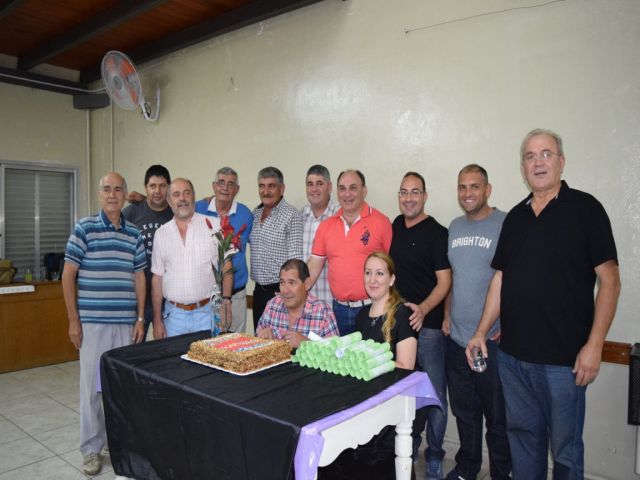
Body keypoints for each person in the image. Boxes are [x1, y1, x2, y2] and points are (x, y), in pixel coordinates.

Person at [466, 129, 621, 479]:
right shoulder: (516, 218)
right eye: (530, 156)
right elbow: (500, 280)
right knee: (523, 443)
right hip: (513, 358)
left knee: (565, 452)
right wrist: (479, 332)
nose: (538, 162)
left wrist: (594, 346)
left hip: (564, 364)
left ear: (561, 162)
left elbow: (610, 280)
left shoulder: (586, 209)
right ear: (523, 167)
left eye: (546, 154)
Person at [62, 172, 146, 476]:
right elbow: (68, 275)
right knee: (91, 389)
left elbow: (139, 277)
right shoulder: (84, 228)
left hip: (125, 324)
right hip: (93, 325)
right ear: (100, 195)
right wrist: (74, 321)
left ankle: (117, 441)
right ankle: (90, 449)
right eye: (107, 189)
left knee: (119, 388)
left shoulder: (134, 233)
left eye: (118, 189)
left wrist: (140, 318)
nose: (112, 194)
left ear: (125, 195)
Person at [319, 252, 417, 480]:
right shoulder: (363, 315)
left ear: (391, 279)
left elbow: (406, 367)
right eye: (368, 273)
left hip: (390, 408)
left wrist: (369, 360)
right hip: (365, 401)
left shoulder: (402, 315)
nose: (373, 279)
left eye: (380, 273)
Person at [444, 164, 511, 480]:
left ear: (488, 189)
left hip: (492, 341)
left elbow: (514, 280)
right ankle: (467, 467)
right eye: (462, 187)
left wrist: (508, 323)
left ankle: (501, 471)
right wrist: (446, 314)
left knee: (497, 416)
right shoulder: (454, 227)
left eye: (474, 186)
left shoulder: (505, 224)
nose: (467, 193)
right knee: (465, 412)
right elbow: (451, 279)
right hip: (457, 340)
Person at [388, 171, 451, 479]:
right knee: (403, 393)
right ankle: (407, 446)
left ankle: (436, 453)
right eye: (403, 192)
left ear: (425, 196)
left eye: (415, 192)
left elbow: (445, 281)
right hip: (399, 328)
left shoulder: (438, 233)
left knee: (435, 394)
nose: (408, 198)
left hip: (428, 328)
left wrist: (424, 310)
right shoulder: (394, 227)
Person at [308, 169, 392, 335]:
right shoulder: (326, 226)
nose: (347, 194)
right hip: (338, 310)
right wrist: (294, 288)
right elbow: (313, 267)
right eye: (342, 188)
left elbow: (393, 267)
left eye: (353, 188)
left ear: (364, 191)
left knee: (370, 359)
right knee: (343, 360)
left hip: (372, 308)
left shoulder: (381, 222)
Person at [151, 178, 231, 338]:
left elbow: (227, 267)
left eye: (187, 193)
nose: (182, 198)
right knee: (174, 363)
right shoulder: (161, 234)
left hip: (207, 314)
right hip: (173, 318)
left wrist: (227, 302)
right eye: (176, 194)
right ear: (169, 200)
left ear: (193, 196)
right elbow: (157, 278)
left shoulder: (215, 226)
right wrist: (157, 320)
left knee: (207, 362)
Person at [195, 167, 252, 333]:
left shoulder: (246, 214)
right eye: (221, 183)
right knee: (207, 343)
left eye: (230, 184)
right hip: (205, 296)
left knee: (235, 346)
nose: (225, 188)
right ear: (214, 186)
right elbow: (175, 207)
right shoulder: (198, 209)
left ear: (237, 189)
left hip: (236, 295)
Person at [122, 164, 173, 340]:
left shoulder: (176, 213)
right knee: (134, 349)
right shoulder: (130, 213)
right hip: (137, 298)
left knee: (164, 351)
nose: (157, 191)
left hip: (166, 298)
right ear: (145, 187)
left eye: (162, 186)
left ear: (169, 187)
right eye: (152, 186)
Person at [249, 166, 303, 329]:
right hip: (258, 292)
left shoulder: (291, 215)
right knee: (259, 343)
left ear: (282, 188)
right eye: (261, 186)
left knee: (280, 346)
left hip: (280, 292)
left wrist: (287, 292)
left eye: (271, 186)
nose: (265, 191)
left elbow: (295, 260)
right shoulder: (255, 214)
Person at [256, 259, 338, 347]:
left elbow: (335, 352)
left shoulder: (323, 312)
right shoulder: (272, 305)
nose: (285, 290)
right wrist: (262, 335)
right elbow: (256, 340)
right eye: (282, 282)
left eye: (292, 283)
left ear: (307, 284)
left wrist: (306, 344)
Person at [301, 164, 339, 307]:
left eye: (319, 184)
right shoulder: (301, 215)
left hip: (333, 303)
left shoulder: (340, 215)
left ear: (329, 187)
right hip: (305, 303)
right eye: (310, 184)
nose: (314, 189)